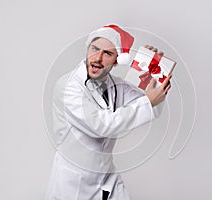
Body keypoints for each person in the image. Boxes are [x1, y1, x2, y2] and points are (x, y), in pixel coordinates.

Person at [45, 24, 172, 200]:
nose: (97, 58)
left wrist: (152, 74)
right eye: (95, 49)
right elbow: (101, 126)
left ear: (117, 60)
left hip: (106, 176)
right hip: (74, 182)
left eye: (108, 53)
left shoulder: (117, 86)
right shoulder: (67, 86)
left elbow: (151, 106)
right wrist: (148, 102)